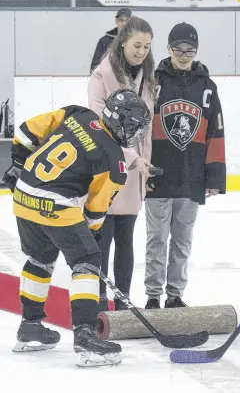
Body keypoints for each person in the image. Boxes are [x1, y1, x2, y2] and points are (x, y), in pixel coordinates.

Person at [1, 90, 151, 367]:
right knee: (87, 262)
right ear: (127, 127)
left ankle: (30, 326)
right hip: (55, 204)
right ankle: (85, 334)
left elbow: (24, 133)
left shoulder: (76, 113)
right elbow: (95, 212)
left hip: (22, 196)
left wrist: (19, 164)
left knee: (40, 259)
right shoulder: (114, 162)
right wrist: (89, 236)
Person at [144, 22, 226, 310]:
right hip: (157, 175)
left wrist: (214, 175)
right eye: (178, 48)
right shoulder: (151, 81)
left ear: (197, 50)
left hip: (192, 176)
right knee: (156, 239)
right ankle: (153, 296)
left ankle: (175, 295)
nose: (183, 54)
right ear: (168, 48)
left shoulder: (207, 87)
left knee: (182, 242)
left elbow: (216, 132)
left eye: (189, 49)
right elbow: (140, 128)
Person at [88, 16, 155, 312]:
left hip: (136, 171)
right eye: (136, 45)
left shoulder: (147, 77)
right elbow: (99, 124)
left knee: (126, 237)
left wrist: (145, 164)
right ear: (123, 42)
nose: (141, 52)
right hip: (107, 167)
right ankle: (99, 297)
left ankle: (123, 298)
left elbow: (146, 129)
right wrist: (133, 158)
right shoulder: (102, 75)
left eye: (146, 46)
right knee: (103, 237)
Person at [90, 8, 132, 73]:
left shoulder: (138, 40)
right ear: (116, 21)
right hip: (109, 78)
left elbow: (145, 63)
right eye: (121, 20)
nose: (124, 23)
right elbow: (95, 65)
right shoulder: (104, 41)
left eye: (126, 20)